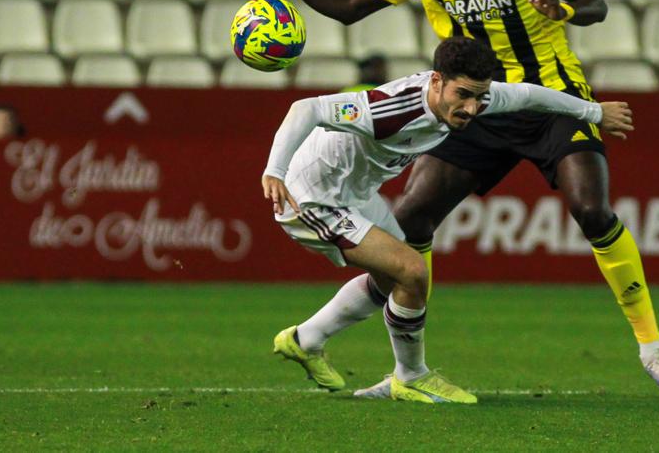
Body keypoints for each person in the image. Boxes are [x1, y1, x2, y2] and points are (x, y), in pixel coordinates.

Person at [246, 0, 659, 401]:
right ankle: (386, 366)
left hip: (546, 93)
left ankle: (653, 349)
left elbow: (593, 0)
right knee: (410, 225)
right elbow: (348, 7)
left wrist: (567, 10)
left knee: (591, 207)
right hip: (470, 106)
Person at [265, 37, 633, 403]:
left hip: (355, 193)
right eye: (463, 95)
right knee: (411, 271)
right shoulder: (392, 109)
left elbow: (530, 95)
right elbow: (306, 108)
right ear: (437, 81)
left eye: (479, 96)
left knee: (394, 279)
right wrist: (274, 171)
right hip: (310, 196)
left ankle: (305, 340)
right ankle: (411, 376)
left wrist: (595, 113)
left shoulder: (476, 97)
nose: (471, 108)